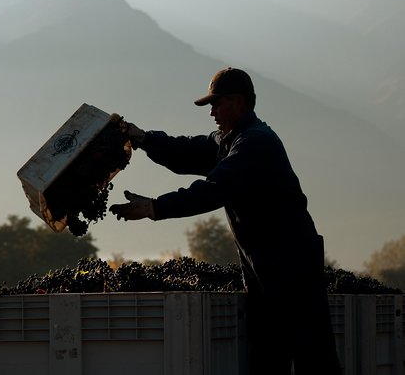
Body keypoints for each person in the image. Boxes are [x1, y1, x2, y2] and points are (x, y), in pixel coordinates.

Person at [109, 67, 341, 374]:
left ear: (239, 102)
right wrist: (141, 138)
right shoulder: (228, 141)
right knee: (268, 358)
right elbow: (185, 151)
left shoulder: (255, 144)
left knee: (312, 358)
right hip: (263, 268)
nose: (212, 112)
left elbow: (212, 191)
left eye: (216, 104)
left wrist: (155, 207)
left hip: (291, 269)